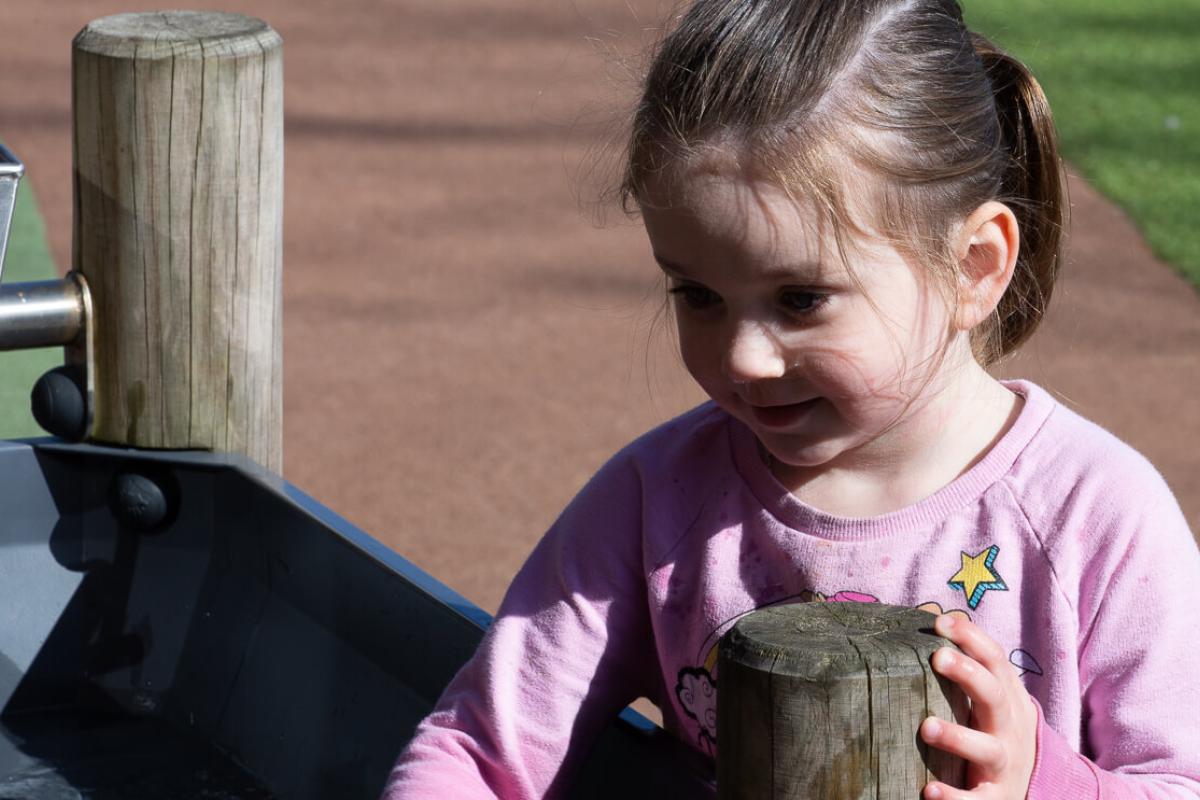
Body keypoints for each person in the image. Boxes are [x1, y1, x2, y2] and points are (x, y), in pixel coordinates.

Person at [384, 0, 1200, 797]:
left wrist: (1038, 782)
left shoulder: (1093, 516)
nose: (743, 355)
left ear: (974, 267)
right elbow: (484, 750)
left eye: (801, 298)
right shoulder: (659, 501)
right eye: (698, 295)